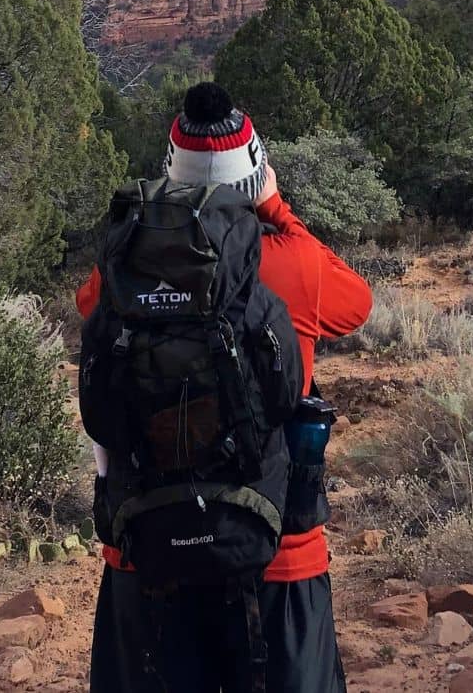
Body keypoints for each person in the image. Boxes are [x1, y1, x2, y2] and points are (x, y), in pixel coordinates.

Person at [77, 82, 373, 693]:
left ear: (170, 173)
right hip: (276, 548)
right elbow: (358, 304)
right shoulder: (295, 264)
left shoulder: (125, 270)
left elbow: (89, 311)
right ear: (258, 174)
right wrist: (278, 212)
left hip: (147, 542)